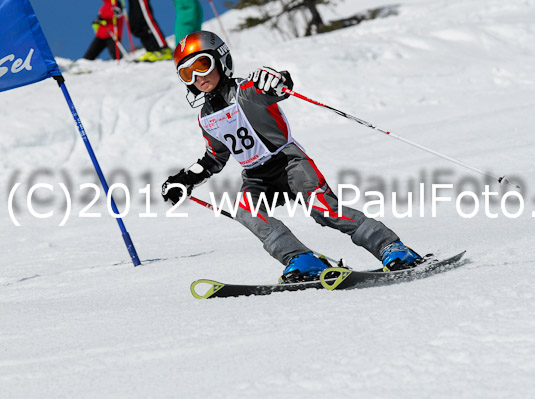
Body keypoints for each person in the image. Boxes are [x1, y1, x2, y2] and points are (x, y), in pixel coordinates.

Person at [162, 31, 423, 283]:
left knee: (324, 209)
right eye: (187, 72)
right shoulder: (206, 116)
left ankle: (392, 247)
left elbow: (279, 87)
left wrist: (276, 79)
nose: (197, 76)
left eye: (203, 65)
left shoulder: (247, 90)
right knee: (246, 212)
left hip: (289, 162)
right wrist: (184, 180)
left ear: (222, 60)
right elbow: (214, 157)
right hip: (256, 176)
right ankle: (302, 259)